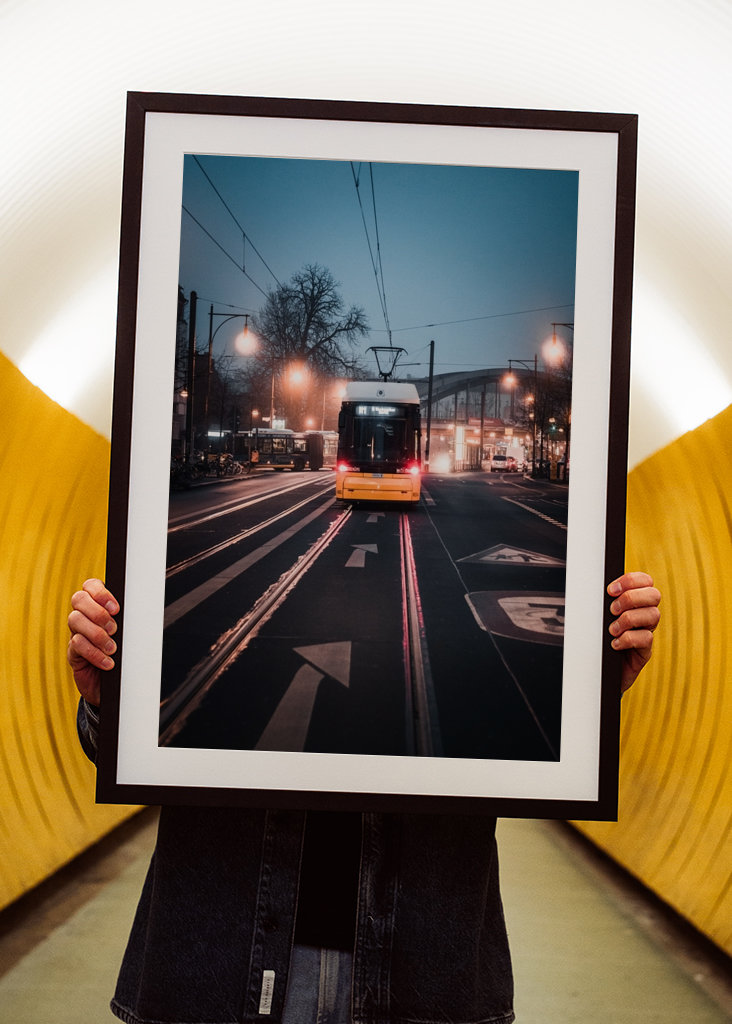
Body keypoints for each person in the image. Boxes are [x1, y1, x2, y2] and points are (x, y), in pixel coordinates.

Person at [68, 572, 661, 1024]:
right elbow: (117, 753)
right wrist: (108, 702)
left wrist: (583, 692)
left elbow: (530, 750)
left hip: (421, 974)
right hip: (217, 965)